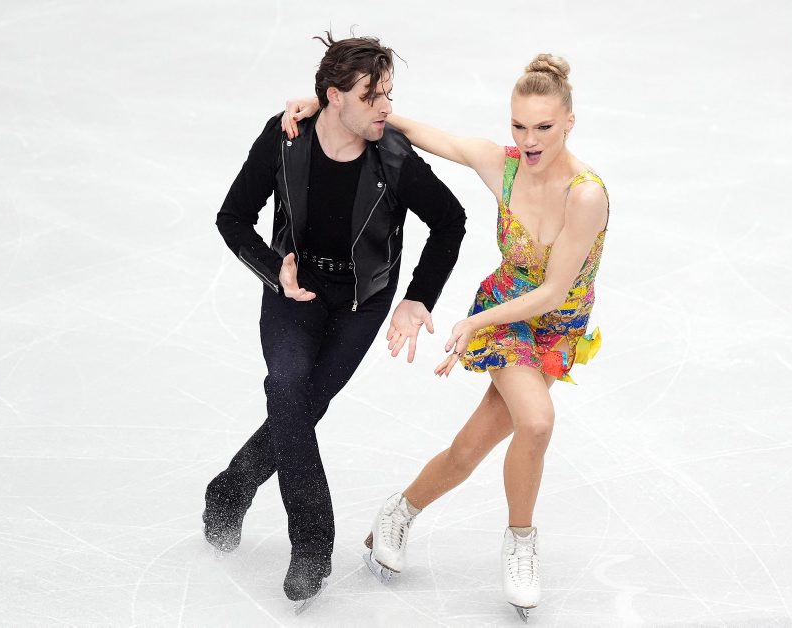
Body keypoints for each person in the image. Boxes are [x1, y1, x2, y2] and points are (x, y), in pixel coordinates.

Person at [283, 53, 608, 619]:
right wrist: (326, 107)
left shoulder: (585, 195)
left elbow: (556, 292)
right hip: (506, 317)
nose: (529, 140)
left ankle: (399, 512)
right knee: (535, 422)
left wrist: (469, 324)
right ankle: (521, 545)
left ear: (570, 123)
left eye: (543, 127)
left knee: (469, 449)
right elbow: (427, 135)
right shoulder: (503, 165)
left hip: (555, 326)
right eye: (519, 125)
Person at [206, 31, 467, 610]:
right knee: (287, 387)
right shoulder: (285, 138)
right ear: (334, 97)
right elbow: (233, 217)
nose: (386, 107)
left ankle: (231, 486)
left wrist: (417, 298)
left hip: (361, 300)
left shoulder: (393, 156)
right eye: (373, 96)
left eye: (389, 94)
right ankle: (312, 545)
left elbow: (451, 220)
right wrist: (275, 272)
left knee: (303, 404)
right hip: (294, 289)